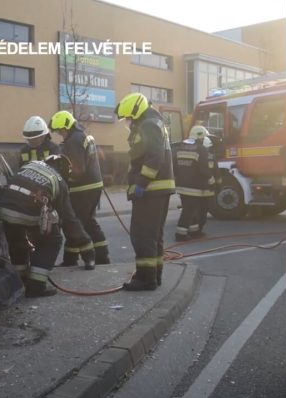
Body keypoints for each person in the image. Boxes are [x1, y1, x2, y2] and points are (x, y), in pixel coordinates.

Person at [0, 155, 96, 297]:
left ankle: (19, 281)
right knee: (52, 240)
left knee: (18, 241)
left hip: (5, 209)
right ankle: (36, 287)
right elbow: (69, 220)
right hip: (28, 211)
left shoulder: (30, 166)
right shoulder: (59, 180)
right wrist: (87, 248)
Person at [114, 93, 175, 291]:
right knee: (153, 235)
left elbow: (153, 157)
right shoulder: (155, 122)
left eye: (129, 118)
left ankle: (145, 279)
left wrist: (141, 182)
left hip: (151, 190)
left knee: (142, 235)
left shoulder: (148, 124)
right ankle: (154, 276)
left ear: (137, 111)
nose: (128, 122)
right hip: (157, 190)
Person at [49, 110, 110, 266]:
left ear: (67, 126)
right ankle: (102, 256)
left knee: (74, 223)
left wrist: (63, 182)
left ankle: (71, 259)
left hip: (83, 189)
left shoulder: (73, 141)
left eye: (60, 130)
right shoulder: (83, 135)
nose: (60, 134)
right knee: (88, 221)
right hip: (93, 186)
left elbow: (77, 169)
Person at [173, 125, 215, 241]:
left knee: (191, 209)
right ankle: (180, 234)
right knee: (189, 210)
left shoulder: (181, 147)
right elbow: (204, 169)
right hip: (194, 187)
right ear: (200, 136)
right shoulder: (201, 149)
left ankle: (194, 231)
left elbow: (175, 166)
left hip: (182, 185)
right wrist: (212, 181)